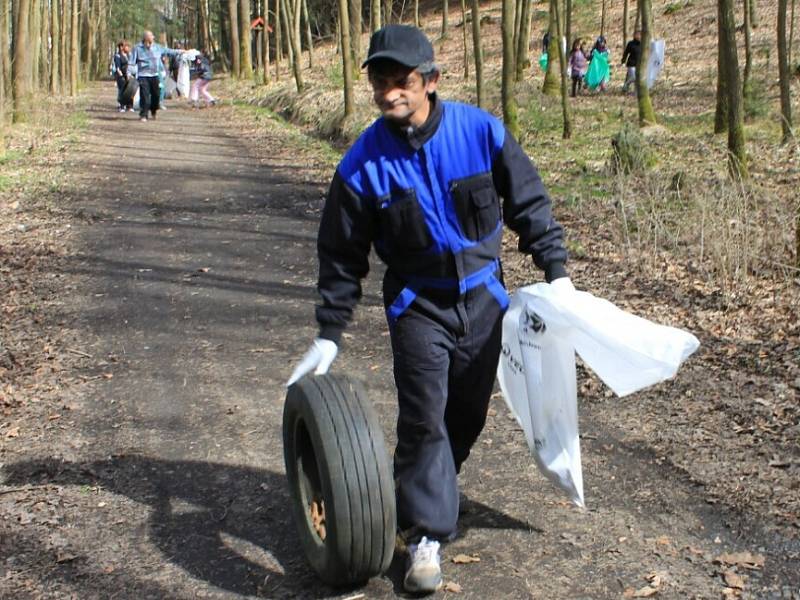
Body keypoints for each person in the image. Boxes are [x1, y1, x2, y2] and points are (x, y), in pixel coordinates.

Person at [286, 25, 571, 595]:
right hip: (419, 304)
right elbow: (341, 254)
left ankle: (414, 488)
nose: (391, 93)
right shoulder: (362, 165)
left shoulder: (479, 132)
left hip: (486, 298)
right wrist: (329, 332)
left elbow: (529, 201)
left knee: (465, 416)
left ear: (431, 82)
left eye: (403, 82)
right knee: (425, 416)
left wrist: (556, 270)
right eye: (380, 83)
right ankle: (425, 537)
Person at [128, 31, 184, 122]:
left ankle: (153, 110)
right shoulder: (137, 48)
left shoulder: (157, 47)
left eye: (152, 38)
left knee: (156, 95)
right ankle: (143, 114)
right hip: (143, 75)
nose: (151, 40)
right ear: (145, 38)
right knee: (144, 95)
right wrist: (129, 73)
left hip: (155, 75)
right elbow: (131, 62)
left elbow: (169, 51)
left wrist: (181, 52)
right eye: (149, 38)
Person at [113, 40, 133, 112]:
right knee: (122, 90)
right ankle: (122, 106)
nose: (125, 47)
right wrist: (121, 76)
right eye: (124, 46)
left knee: (130, 90)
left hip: (128, 75)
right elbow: (118, 67)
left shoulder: (128, 55)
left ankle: (129, 106)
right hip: (121, 76)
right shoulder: (117, 56)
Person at [621, 30, 642, 95]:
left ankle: (635, 92)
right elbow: (626, 53)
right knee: (634, 78)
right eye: (637, 34)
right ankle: (626, 84)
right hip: (631, 63)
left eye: (640, 35)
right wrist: (623, 61)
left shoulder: (643, 44)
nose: (638, 36)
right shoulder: (630, 43)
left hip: (639, 64)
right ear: (634, 35)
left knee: (637, 79)